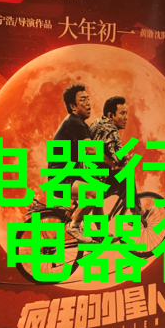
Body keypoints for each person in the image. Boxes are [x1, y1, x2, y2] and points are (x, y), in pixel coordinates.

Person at [49, 83, 96, 243]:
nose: (88, 103)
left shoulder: (80, 124)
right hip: (60, 180)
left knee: (97, 191)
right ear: (73, 106)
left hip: (68, 177)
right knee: (94, 192)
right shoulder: (73, 122)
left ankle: (100, 233)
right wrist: (115, 161)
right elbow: (92, 150)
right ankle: (74, 226)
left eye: (88, 99)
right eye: (83, 100)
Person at [88, 96, 130, 179]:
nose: (126, 117)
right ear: (110, 115)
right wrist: (126, 157)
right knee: (127, 173)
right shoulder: (111, 129)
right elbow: (120, 159)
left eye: (126, 113)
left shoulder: (97, 122)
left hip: (84, 170)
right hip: (96, 175)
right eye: (122, 113)